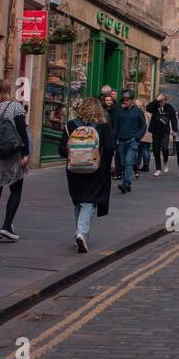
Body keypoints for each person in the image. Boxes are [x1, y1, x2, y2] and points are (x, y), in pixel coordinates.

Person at [58, 95, 116, 253]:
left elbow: (62, 150)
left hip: (74, 170)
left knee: (79, 201)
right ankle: (81, 233)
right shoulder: (103, 126)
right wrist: (106, 164)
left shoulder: (71, 125)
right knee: (89, 202)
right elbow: (110, 148)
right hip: (96, 169)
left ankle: (81, 234)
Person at [0, 79, 29, 243]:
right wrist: (25, 153)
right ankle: (7, 226)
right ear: (8, 91)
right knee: (16, 188)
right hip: (11, 152)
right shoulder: (14, 107)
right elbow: (22, 131)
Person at [114, 88, 147, 192]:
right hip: (121, 141)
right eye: (124, 99)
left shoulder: (138, 111)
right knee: (123, 163)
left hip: (132, 141)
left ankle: (126, 184)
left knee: (128, 162)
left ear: (132, 100)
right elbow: (116, 126)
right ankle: (126, 183)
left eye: (127, 99)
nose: (125, 101)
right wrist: (114, 139)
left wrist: (137, 137)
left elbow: (143, 126)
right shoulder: (120, 111)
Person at [145, 91, 177, 176]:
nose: (162, 103)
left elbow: (173, 118)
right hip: (155, 131)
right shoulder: (155, 106)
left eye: (164, 101)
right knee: (156, 150)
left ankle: (165, 161)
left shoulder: (169, 107)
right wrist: (156, 100)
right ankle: (158, 169)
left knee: (165, 148)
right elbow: (148, 108)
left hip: (165, 132)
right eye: (160, 101)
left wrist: (174, 130)